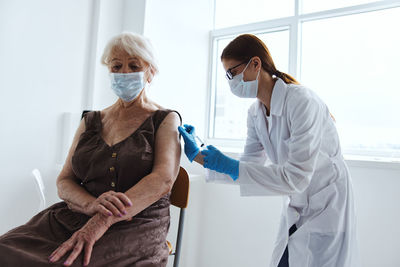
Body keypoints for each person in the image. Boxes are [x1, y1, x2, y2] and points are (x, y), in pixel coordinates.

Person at [0, 32, 181, 267]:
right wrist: (90, 205)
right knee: (5, 248)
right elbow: (64, 180)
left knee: (69, 262)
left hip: (134, 224)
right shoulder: (91, 120)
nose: (124, 73)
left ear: (151, 72)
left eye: (134, 65)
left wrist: (101, 221)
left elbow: (163, 180)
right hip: (77, 215)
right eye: (116, 66)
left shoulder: (165, 119)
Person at [179, 34, 359, 267]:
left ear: (255, 64)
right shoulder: (255, 114)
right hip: (297, 207)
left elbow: (296, 178)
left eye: (232, 73)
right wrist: (201, 156)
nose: (230, 81)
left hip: (327, 208)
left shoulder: (302, 101)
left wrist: (227, 164)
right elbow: (249, 165)